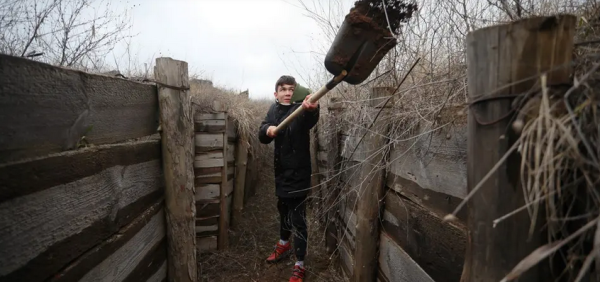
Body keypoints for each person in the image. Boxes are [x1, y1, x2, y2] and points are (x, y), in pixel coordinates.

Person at [258, 75, 319, 282]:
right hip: (281, 173)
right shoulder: (274, 110)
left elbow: (311, 117)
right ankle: (284, 243)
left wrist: (312, 108)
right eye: (283, 89)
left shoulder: (300, 110)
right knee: (282, 209)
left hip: (299, 174)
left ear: (296, 91)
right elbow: (262, 132)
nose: (287, 93)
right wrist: (268, 129)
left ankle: (300, 264)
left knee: (298, 219)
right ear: (276, 93)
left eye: (291, 89)